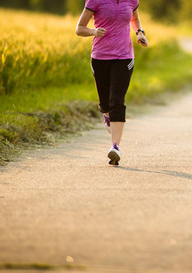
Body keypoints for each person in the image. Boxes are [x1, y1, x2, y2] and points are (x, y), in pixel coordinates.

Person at [75, 0, 148, 166]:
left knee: (117, 100)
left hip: (124, 57)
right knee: (106, 103)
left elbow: (134, 19)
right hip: (100, 57)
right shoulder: (95, 1)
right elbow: (79, 28)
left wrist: (139, 33)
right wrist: (93, 31)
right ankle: (107, 114)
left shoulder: (131, 1)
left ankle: (115, 147)